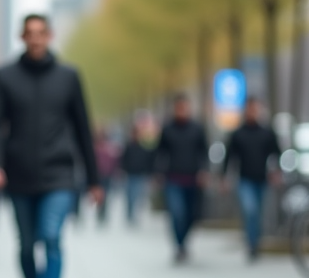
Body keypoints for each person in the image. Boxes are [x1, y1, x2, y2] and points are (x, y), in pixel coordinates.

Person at [0, 14, 103, 278]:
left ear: (50, 37)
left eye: (41, 33)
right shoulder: (5, 77)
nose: (35, 39)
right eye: (29, 33)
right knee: (25, 246)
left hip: (59, 174)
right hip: (18, 175)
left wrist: (94, 180)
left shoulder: (68, 77)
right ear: (21, 37)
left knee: (50, 236)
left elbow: (82, 130)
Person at [221, 97, 282, 261]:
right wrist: (225, 178)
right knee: (250, 210)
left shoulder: (267, 133)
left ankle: (256, 243)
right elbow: (229, 157)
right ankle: (251, 243)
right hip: (244, 180)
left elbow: (277, 153)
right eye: (250, 109)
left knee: (260, 214)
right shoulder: (238, 134)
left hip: (262, 179)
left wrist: (276, 171)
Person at [154, 94, 209, 262]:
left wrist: (204, 171)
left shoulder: (197, 129)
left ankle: (184, 242)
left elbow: (203, 152)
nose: (182, 111)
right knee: (177, 213)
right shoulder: (168, 129)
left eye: (184, 107)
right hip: (173, 178)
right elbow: (160, 152)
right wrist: (158, 172)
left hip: (193, 178)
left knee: (191, 215)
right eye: (179, 107)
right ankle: (178, 245)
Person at [120, 121, 154, 227]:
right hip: (130, 174)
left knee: (138, 195)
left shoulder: (143, 147)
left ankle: (134, 214)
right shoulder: (128, 147)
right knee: (130, 195)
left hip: (140, 174)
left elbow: (148, 160)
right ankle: (129, 214)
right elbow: (123, 160)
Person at [94, 128, 119, 227]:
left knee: (106, 195)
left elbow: (114, 162)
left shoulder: (110, 148)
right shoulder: (96, 148)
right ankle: (100, 213)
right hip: (99, 175)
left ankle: (103, 214)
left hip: (107, 175)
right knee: (100, 195)